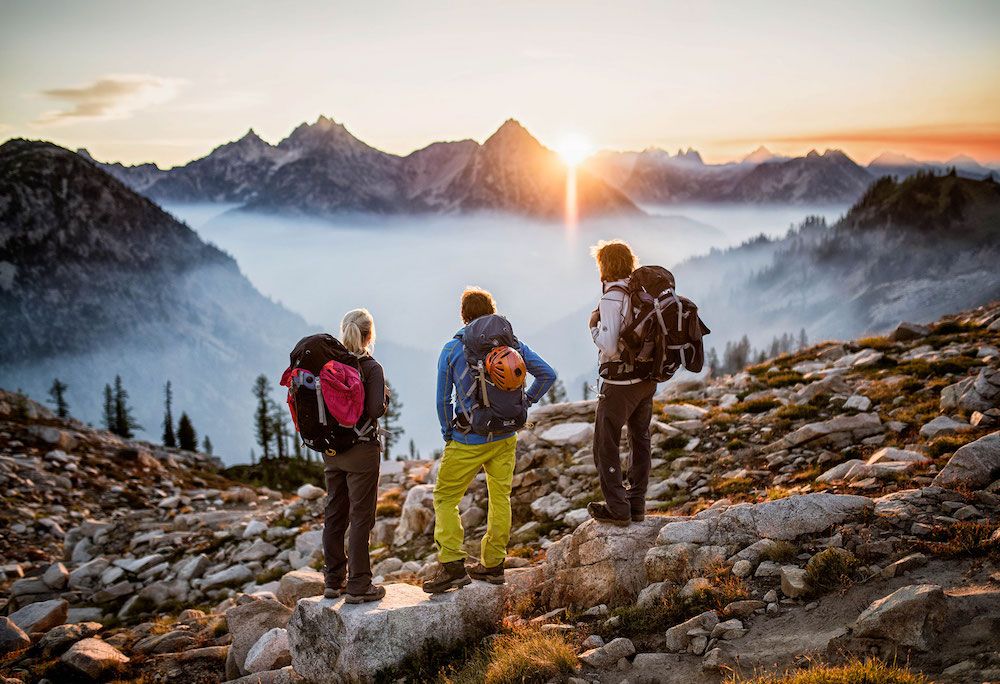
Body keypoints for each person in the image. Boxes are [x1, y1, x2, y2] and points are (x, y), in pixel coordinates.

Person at [423, 287, 556, 593]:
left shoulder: (453, 349)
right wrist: (527, 403)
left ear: (464, 316)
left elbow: (443, 400)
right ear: (492, 311)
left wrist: (448, 432)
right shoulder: (512, 344)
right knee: (500, 498)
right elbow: (547, 374)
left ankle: (452, 565)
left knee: (445, 498)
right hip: (506, 436)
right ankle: (493, 565)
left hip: (467, 439)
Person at [587, 240, 656, 526]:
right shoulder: (643, 291)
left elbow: (611, 347)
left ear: (604, 265)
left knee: (606, 444)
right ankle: (636, 504)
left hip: (620, 381)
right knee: (640, 440)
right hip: (647, 378)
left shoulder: (612, 297)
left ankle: (618, 508)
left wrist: (593, 327)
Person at [322, 308, 388, 603]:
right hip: (361, 450)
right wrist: (384, 397)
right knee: (361, 517)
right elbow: (375, 410)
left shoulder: (328, 364)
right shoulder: (371, 368)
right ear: (369, 335)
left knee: (334, 514)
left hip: (332, 451)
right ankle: (359, 584)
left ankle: (333, 581)